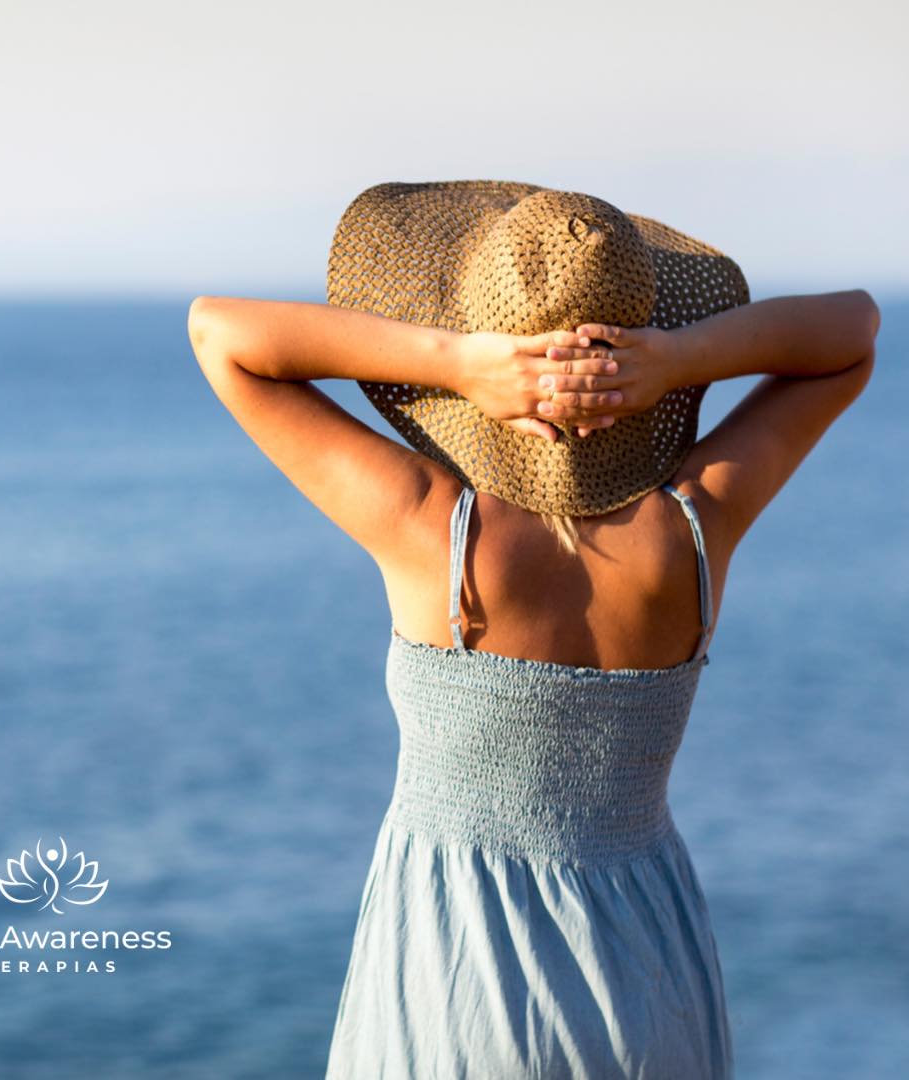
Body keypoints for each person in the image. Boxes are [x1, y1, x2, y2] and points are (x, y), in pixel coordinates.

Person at [187, 183, 880, 1079]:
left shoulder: (433, 529)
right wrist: (678, 360)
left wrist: (458, 362)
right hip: (653, 978)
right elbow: (853, 334)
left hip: (460, 988)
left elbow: (220, 335)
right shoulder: (695, 525)